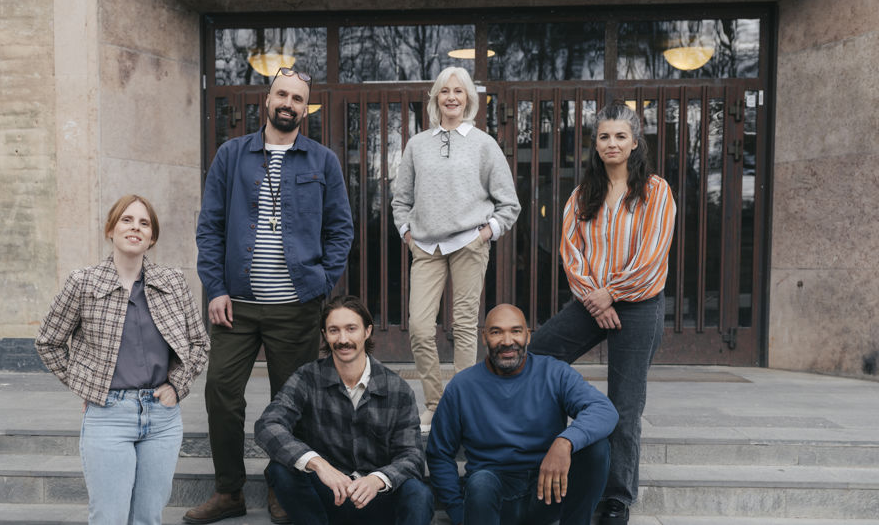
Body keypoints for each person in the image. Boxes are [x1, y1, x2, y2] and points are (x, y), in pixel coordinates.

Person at [186, 67, 354, 524]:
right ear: (267, 99)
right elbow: (211, 226)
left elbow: (341, 229)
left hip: (296, 308)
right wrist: (215, 288)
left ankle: (283, 486)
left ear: (306, 108)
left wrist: (320, 285)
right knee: (221, 392)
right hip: (235, 305)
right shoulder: (231, 155)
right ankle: (228, 492)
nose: (288, 103)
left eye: (298, 98)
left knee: (292, 403)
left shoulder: (322, 161)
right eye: (282, 94)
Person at [528, 103, 676, 525]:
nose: (612, 144)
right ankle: (536, 454)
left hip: (640, 302)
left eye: (620, 137)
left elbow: (652, 257)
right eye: (604, 137)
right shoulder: (582, 194)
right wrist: (596, 299)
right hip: (591, 300)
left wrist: (612, 295)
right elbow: (570, 252)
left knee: (625, 406)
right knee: (536, 358)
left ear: (634, 142)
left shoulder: (655, 191)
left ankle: (615, 498)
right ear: (595, 145)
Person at [35, 194, 210, 525]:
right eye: (127, 220)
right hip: (109, 415)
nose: (135, 228)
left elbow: (198, 342)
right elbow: (49, 342)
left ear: (152, 237)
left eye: (144, 223)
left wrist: (178, 385)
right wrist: (86, 384)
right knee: (109, 518)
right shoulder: (83, 282)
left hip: (162, 418)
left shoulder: (172, 282)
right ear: (111, 230)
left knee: (148, 517)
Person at [390, 66, 520, 432]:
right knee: (418, 326)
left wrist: (486, 234)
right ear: (435, 98)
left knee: (464, 327)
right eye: (444, 91)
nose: (451, 97)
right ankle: (434, 402)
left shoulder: (484, 144)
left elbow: (509, 203)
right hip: (426, 247)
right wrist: (407, 234)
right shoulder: (418, 144)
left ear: (468, 99)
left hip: (468, 243)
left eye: (458, 91)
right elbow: (401, 200)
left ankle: (461, 408)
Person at [426, 304, 617, 525]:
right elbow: (439, 453)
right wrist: (458, 511)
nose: (507, 341)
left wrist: (565, 441)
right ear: (484, 337)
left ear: (528, 336)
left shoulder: (554, 372)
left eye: (516, 331)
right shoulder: (462, 386)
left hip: (548, 490)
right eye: (497, 332)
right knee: (481, 482)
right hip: (493, 498)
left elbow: (603, 410)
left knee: (597, 448)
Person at [255, 295, 433, 525]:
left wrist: (377, 479)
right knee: (281, 470)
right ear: (324, 335)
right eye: (334, 330)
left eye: (351, 329)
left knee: (418, 493)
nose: (343, 339)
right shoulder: (307, 378)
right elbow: (268, 425)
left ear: (367, 331)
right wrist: (318, 464)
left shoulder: (397, 388)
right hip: (329, 498)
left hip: (376, 499)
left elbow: (412, 457)